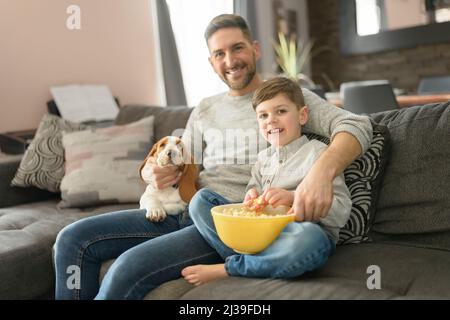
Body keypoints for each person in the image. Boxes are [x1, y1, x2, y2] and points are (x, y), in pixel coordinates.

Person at [54, 14, 373, 300]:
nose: (230, 60)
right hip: (185, 209)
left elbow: (356, 124)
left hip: (233, 220)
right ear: (211, 62)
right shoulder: (205, 108)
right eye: (220, 54)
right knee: (72, 240)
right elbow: (179, 158)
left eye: (237, 48)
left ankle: (240, 259)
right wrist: (151, 173)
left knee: (127, 267)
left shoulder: (282, 95)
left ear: (256, 49)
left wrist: (321, 174)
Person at [181, 77, 352, 285]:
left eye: (281, 111)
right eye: (263, 115)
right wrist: (251, 200)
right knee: (201, 200)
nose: (271, 120)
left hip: (299, 233)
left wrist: (293, 198)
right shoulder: (262, 160)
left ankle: (234, 267)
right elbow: (251, 203)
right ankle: (259, 262)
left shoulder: (319, 154)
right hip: (259, 236)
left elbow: (341, 211)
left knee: (309, 240)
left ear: (302, 115)